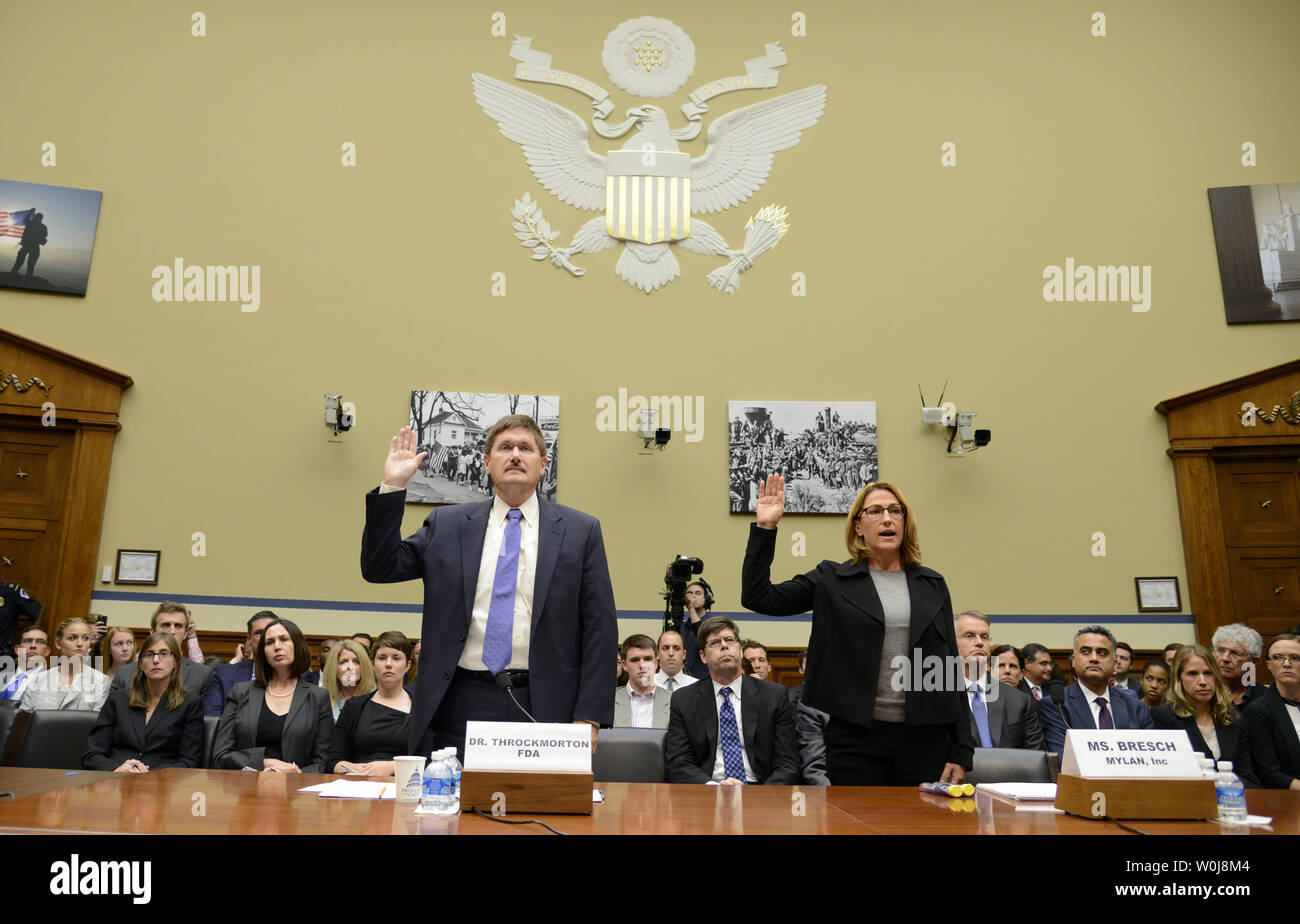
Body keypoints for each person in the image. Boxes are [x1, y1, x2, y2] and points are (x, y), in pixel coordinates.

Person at [361, 415, 617, 759]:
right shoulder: (449, 524)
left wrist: (590, 716)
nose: (515, 455)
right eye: (505, 447)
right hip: (461, 699)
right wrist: (392, 486)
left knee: (543, 807)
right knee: (454, 807)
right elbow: (381, 567)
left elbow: (600, 628)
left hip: (548, 703)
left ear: (543, 465)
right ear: (486, 462)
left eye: (526, 448)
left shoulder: (579, 531)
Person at [741, 475, 972, 785]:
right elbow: (759, 597)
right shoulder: (832, 580)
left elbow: (948, 669)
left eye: (895, 510)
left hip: (925, 739)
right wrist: (766, 528)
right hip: (856, 738)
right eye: (875, 511)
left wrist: (960, 751)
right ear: (858, 527)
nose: (887, 518)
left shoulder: (932, 584)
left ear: (906, 522)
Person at [664, 617, 799, 784]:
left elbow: (788, 763)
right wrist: (714, 788)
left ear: (741, 651)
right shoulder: (684, 700)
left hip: (761, 791)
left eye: (729, 640)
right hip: (708, 790)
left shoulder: (773, 696)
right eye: (714, 643)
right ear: (703, 656)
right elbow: (678, 762)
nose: (724, 645)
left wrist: (763, 796)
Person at [211, 618, 332, 772]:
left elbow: (323, 761)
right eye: (269, 642)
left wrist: (295, 773)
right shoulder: (240, 692)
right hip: (247, 785)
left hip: (299, 789)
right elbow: (221, 755)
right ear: (263, 652)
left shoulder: (318, 696)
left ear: (298, 645)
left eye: (284, 639)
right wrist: (265, 763)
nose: (277, 647)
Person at [82, 632, 204, 772]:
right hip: (116, 780)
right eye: (149, 654)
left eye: (164, 653)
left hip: (163, 784)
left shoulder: (190, 703)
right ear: (140, 663)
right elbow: (92, 755)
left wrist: (148, 774)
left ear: (176, 661)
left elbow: (189, 761)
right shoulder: (118, 699)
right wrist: (116, 769)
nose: (156, 660)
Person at [1151, 644, 1255, 783]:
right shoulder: (1162, 717)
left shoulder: (1232, 717)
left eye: (1208, 673)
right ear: (1178, 678)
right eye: (1193, 674)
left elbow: (1248, 777)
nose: (1203, 682)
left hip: (1233, 799)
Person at [955, 612, 1045, 751]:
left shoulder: (1019, 701)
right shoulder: (936, 696)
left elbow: (1036, 757)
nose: (979, 642)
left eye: (984, 637)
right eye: (969, 636)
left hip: (1011, 772)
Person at [328, 631, 414, 776]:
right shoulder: (354, 706)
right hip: (359, 784)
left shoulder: (421, 709)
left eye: (396, 658)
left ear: (407, 666)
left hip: (404, 784)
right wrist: (359, 770)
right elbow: (333, 761)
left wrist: (393, 767)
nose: (388, 664)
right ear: (373, 664)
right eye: (382, 658)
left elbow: (431, 760)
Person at [1053, 627, 1154, 747]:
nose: (1094, 658)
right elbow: (1062, 756)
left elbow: (1149, 757)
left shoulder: (1137, 708)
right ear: (1074, 661)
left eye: (1102, 653)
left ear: (1115, 663)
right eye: (1085, 652)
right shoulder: (1056, 705)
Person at [110, 603, 212, 698]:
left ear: (185, 633)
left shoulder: (201, 674)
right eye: (166, 625)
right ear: (153, 632)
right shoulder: (124, 674)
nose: (172, 632)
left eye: (178, 626)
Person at [1243, 634, 1300, 789]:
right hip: (1287, 799)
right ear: (1268, 664)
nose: (1286, 664)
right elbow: (1268, 773)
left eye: (1295, 657)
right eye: (1278, 657)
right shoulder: (1258, 711)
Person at [20, 617, 110, 712]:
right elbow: (25, 719)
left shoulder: (100, 681)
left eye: (85, 638)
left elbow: (97, 720)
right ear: (58, 643)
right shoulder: (39, 679)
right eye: (72, 638)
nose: (80, 643)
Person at [203, 611, 277, 716]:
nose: (266, 637)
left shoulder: (297, 676)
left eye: (270, 631)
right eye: (259, 633)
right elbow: (212, 720)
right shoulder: (223, 674)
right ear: (249, 640)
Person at [613, 634, 669, 728]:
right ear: (624, 665)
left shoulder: (673, 701)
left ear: (656, 663)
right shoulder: (609, 701)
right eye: (635, 660)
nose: (642, 665)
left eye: (648, 659)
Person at [1211, 623, 1264, 708]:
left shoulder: (1266, 698)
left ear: (1253, 661)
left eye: (1235, 653)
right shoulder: (1202, 693)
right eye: (1220, 650)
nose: (1225, 658)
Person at [322, 639, 376, 720]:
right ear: (334, 668)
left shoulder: (376, 698)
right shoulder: (321, 699)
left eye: (356, 662)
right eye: (343, 662)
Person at [0, 626, 49, 701]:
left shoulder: (51, 682)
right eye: (27, 641)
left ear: (47, 651)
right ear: (17, 650)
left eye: (40, 642)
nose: (33, 646)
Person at [11, 212, 47, 278]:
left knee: (21, 262)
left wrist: (30, 213)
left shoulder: (30, 224)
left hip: (27, 246)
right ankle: (27, 277)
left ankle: (14, 273)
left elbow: (26, 219)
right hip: (34, 247)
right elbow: (44, 237)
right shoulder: (42, 227)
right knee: (30, 264)